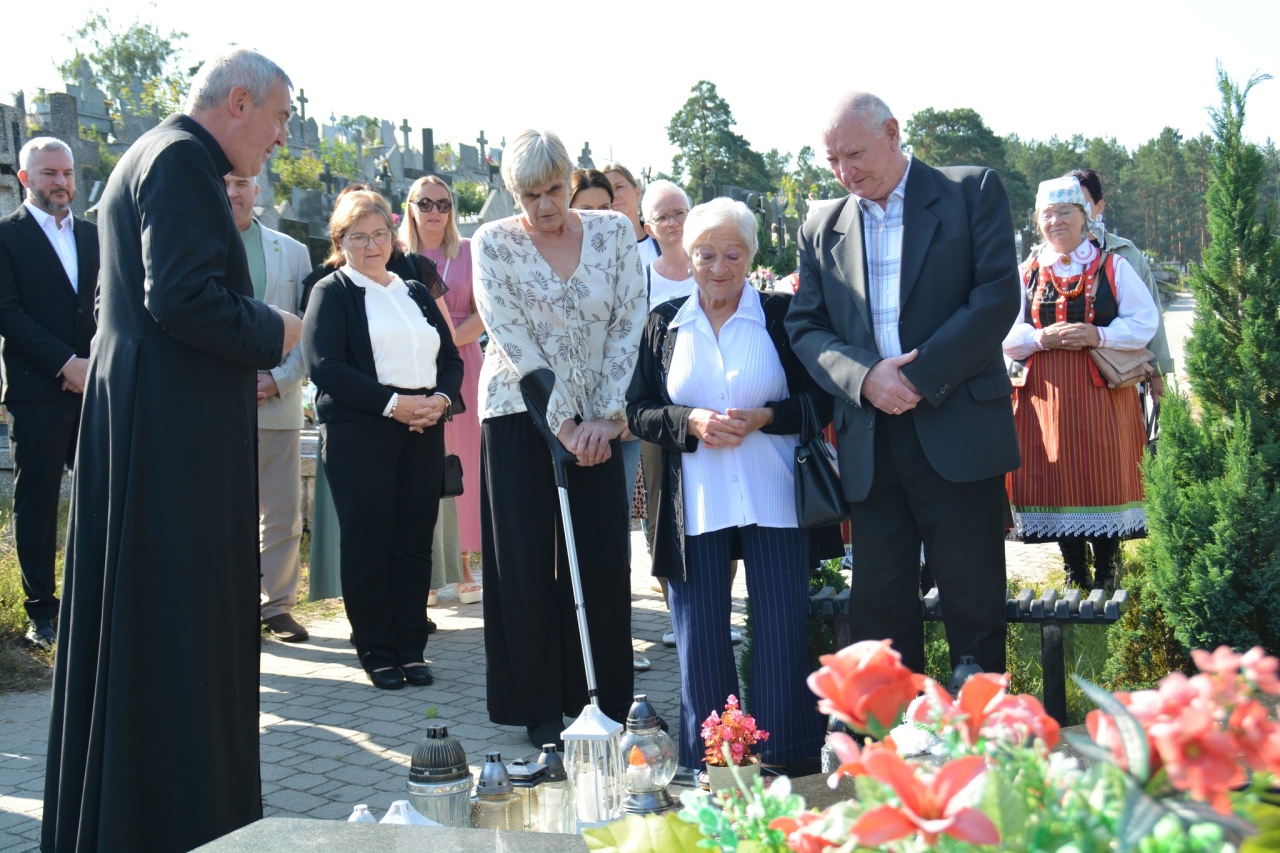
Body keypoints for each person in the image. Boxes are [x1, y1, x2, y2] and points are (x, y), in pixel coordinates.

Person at [42, 49, 302, 853]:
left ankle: (134, 812)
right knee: (182, 629)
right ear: (237, 102)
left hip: (145, 418)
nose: (281, 139)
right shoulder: (186, 160)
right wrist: (276, 328)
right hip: (175, 438)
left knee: (143, 629)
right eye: (280, 119)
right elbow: (182, 295)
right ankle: (187, 821)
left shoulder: (145, 155)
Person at [786, 91, 1022, 676]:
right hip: (872, 444)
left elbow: (995, 299)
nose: (845, 171)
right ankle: (892, 752)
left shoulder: (972, 192)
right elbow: (805, 325)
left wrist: (913, 378)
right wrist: (866, 378)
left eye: (855, 153)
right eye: (832, 160)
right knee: (880, 614)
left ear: (893, 132)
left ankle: (980, 749)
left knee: (975, 606)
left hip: (959, 434)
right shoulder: (822, 225)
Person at [627, 197, 836, 770]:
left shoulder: (781, 315)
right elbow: (639, 410)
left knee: (780, 636)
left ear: (751, 255)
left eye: (732, 254)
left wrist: (768, 417)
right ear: (687, 255)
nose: (718, 267)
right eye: (705, 253)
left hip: (774, 498)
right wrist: (688, 421)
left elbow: (822, 399)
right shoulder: (664, 323)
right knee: (701, 645)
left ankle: (787, 762)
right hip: (695, 504)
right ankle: (709, 766)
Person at [473, 129, 644, 747]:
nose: (542, 207)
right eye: (527, 195)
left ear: (569, 181)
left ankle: (604, 696)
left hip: (600, 417)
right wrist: (562, 421)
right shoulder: (493, 242)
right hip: (520, 412)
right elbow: (508, 333)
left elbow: (630, 321)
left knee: (599, 554)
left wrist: (606, 416)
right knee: (525, 556)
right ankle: (537, 704)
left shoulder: (614, 233)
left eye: (551, 191)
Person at [303, 189, 462, 690]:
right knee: (370, 541)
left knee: (414, 540)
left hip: (422, 427)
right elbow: (324, 366)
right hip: (362, 429)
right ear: (340, 241)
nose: (371, 246)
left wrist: (441, 400)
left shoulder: (414, 289)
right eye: (358, 237)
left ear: (392, 238)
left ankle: (410, 648)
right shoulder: (332, 291)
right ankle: (375, 650)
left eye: (378, 235)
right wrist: (393, 404)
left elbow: (451, 357)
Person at [1004, 176, 1158, 591]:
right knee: (1059, 475)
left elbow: (1144, 322)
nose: (1055, 222)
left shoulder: (1113, 266)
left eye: (1065, 213)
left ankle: (1108, 566)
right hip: (1046, 397)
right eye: (1047, 215)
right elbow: (1002, 334)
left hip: (1102, 391)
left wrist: (1098, 335)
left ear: (1084, 217)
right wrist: (1040, 338)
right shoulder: (1027, 273)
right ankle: (1074, 567)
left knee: (1103, 472)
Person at [0, 137, 97, 650]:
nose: (59, 182)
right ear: (25, 179)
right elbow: (7, 312)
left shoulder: (94, 236)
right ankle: (42, 610)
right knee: (36, 504)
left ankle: (96, 603)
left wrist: (93, 364)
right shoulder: (6, 237)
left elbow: (110, 306)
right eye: (47, 174)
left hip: (96, 390)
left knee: (102, 497)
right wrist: (66, 363)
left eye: (65, 173)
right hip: (39, 393)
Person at [225, 171, 312, 643]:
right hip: (214, 406)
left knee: (280, 511)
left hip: (276, 402)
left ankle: (276, 606)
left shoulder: (291, 252)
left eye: (241, 183)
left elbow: (307, 330)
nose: (233, 192)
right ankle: (226, 602)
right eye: (224, 183)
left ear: (257, 190)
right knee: (221, 510)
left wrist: (278, 379)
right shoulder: (195, 247)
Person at [400, 175, 483, 604]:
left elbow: (483, 313)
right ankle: (430, 570)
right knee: (422, 459)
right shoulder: (398, 255)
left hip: (462, 363)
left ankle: (466, 562)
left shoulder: (468, 252)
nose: (435, 212)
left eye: (444, 204)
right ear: (410, 206)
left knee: (463, 458)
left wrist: (447, 343)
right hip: (413, 367)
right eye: (426, 203)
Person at [601, 162, 660, 265]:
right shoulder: (599, 248)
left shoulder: (660, 240)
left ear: (637, 193)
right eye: (607, 190)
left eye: (619, 187)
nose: (613, 195)